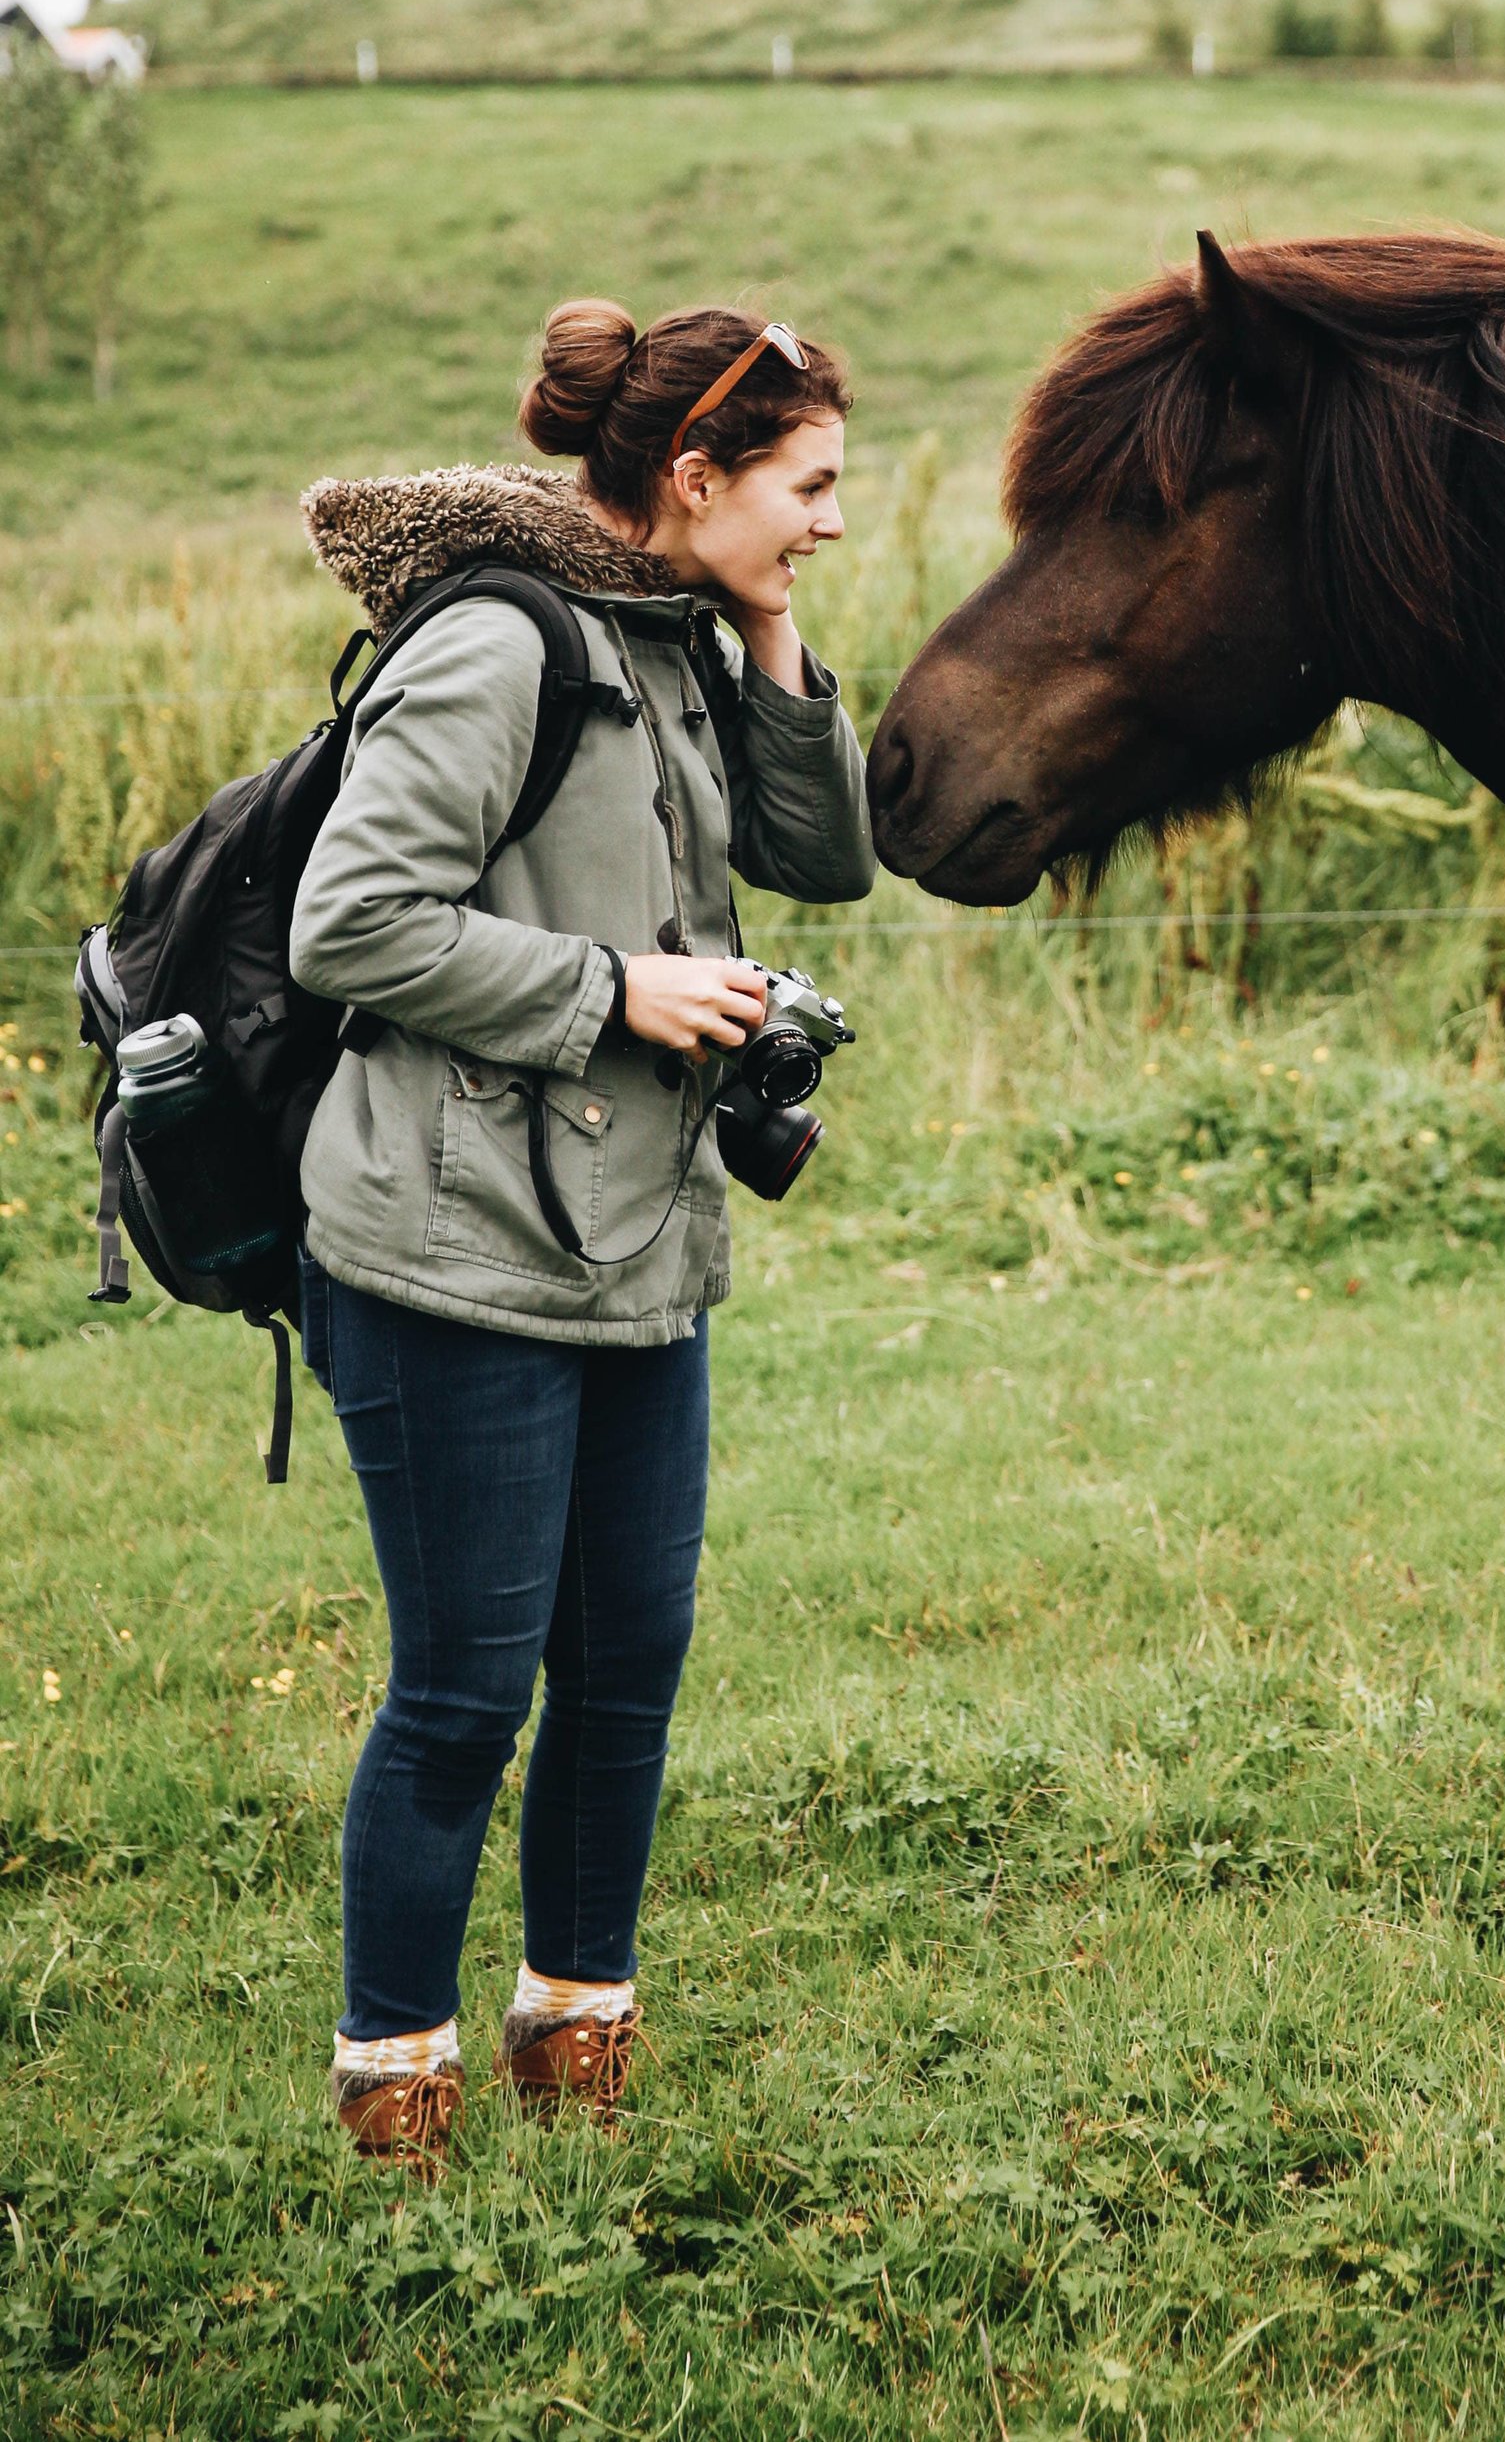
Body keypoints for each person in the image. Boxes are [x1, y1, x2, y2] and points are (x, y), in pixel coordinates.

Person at [288, 300, 874, 2166]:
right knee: (465, 1694)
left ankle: (576, 2052)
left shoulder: (679, 636)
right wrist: (613, 985)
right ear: (692, 477)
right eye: (810, 489)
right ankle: (395, 2093)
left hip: (638, 1243)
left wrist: (771, 626)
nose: (833, 521)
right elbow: (351, 920)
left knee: (625, 1670)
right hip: (449, 1246)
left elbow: (827, 849)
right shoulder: (493, 640)